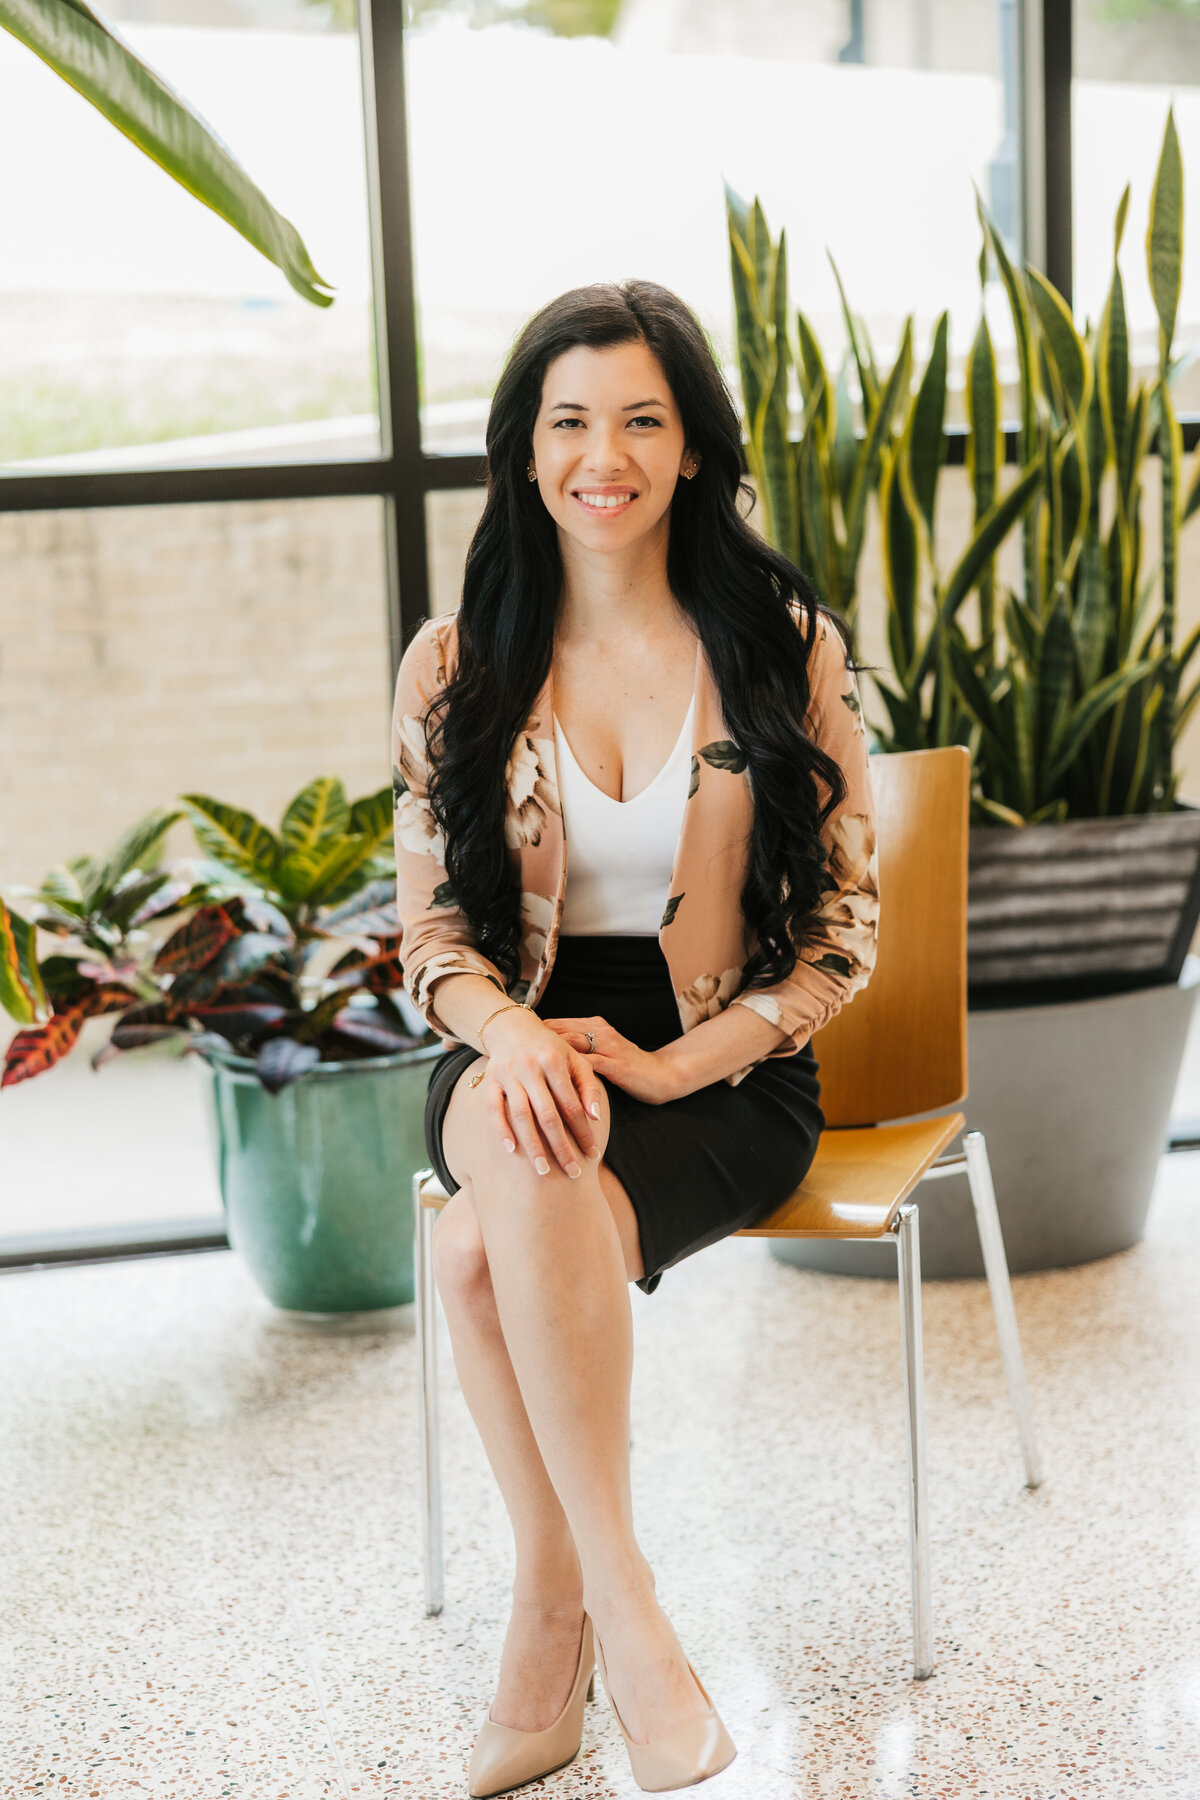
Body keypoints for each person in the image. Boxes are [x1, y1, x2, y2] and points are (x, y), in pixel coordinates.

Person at [391, 279, 879, 1797]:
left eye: (642, 421)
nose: (605, 454)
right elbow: (431, 946)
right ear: (525, 451)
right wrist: (515, 1039)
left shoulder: (779, 643)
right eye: (571, 421)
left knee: (477, 1247)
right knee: (523, 1139)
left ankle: (552, 1622)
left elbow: (845, 930)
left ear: (690, 450)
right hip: (509, 1042)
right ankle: (634, 1616)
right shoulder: (454, 662)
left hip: (722, 1069)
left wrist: (676, 1062)